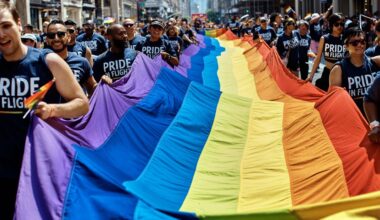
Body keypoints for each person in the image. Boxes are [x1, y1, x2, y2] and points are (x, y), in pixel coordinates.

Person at [0, 2, 89, 220]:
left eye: (5, 25)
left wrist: (53, 109)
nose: (1, 34)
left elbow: (82, 103)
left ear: (19, 24)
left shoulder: (47, 61)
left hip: (39, 170)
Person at [330, 28, 380, 115]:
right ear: (345, 45)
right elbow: (333, 102)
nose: (360, 45)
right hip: (354, 120)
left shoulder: (376, 62)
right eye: (354, 42)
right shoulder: (338, 69)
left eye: (362, 41)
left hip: (375, 120)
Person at [45, 20, 97, 97]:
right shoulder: (39, 62)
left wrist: (103, 85)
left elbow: (92, 87)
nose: (56, 38)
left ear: (68, 37)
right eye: (51, 35)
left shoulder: (82, 62)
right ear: (47, 40)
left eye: (61, 34)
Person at [307, 13, 346, 91]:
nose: (339, 26)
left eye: (342, 24)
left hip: (342, 74)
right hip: (327, 73)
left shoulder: (346, 39)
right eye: (336, 24)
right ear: (331, 25)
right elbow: (318, 58)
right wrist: (311, 77)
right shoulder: (324, 38)